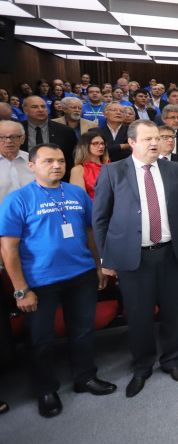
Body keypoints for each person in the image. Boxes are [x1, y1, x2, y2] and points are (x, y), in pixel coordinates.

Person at [0, 143, 117, 417]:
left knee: (83, 331)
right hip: (40, 282)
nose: (57, 166)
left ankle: (85, 378)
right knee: (40, 338)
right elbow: (8, 248)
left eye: (61, 161)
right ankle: (45, 389)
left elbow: (90, 231)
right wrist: (20, 289)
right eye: (49, 161)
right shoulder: (17, 200)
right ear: (32, 166)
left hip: (81, 274)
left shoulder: (76, 193)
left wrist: (98, 266)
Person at [92, 120, 178, 398]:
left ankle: (172, 360)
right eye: (148, 139)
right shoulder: (113, 171)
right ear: (132, 142)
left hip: (170, 254)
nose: (154, 143)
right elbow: (100, 219)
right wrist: (106, 258)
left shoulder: (173, 169)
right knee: (138, 316)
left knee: (173, 313)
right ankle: (141, 366)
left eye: (158, 139)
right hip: (133, 259)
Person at [20, 96, 78, 177]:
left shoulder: (65, 131)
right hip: (25, 176)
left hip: (58, 177)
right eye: (35, 107)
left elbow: (73, 158)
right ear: (25, 110)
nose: (40, 110)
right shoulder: (18, 129)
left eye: (43, 106)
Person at [0, 121, 34, 201]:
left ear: (23, 139)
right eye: (2, 137)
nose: (8, 141)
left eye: (14, 137)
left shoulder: (34, 160)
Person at [69, 132, 109, 200]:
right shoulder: (79, 169)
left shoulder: (110, 165)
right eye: (96, 143)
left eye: (102, 143)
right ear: (83, 146)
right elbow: (79, 198)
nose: (101, 146)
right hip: (93, 208)